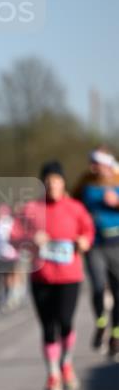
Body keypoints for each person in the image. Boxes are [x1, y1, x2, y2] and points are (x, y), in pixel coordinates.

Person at [12, 161, 94, 390]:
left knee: (66, 323)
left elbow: (88, 231)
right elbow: (14, 236)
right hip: (41, 278)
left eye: (56, 181)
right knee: (48, 327)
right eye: (48, 181)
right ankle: (52, 375)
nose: (52, 185)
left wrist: (83, 242)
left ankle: (66, 365)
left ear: (63, 183)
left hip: (70, 276)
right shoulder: (31, 209)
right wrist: (30, 238)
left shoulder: (75, 208)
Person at [74, 148, 119, 360]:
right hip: (95, 245)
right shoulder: (85, 184)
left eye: (97, 163)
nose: (93, 167)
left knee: (118, 293)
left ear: (108, 165)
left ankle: (116, 336)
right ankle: (101, 321)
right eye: (91, 163)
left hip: (117, 245)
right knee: (99, 286)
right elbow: (71, 205)